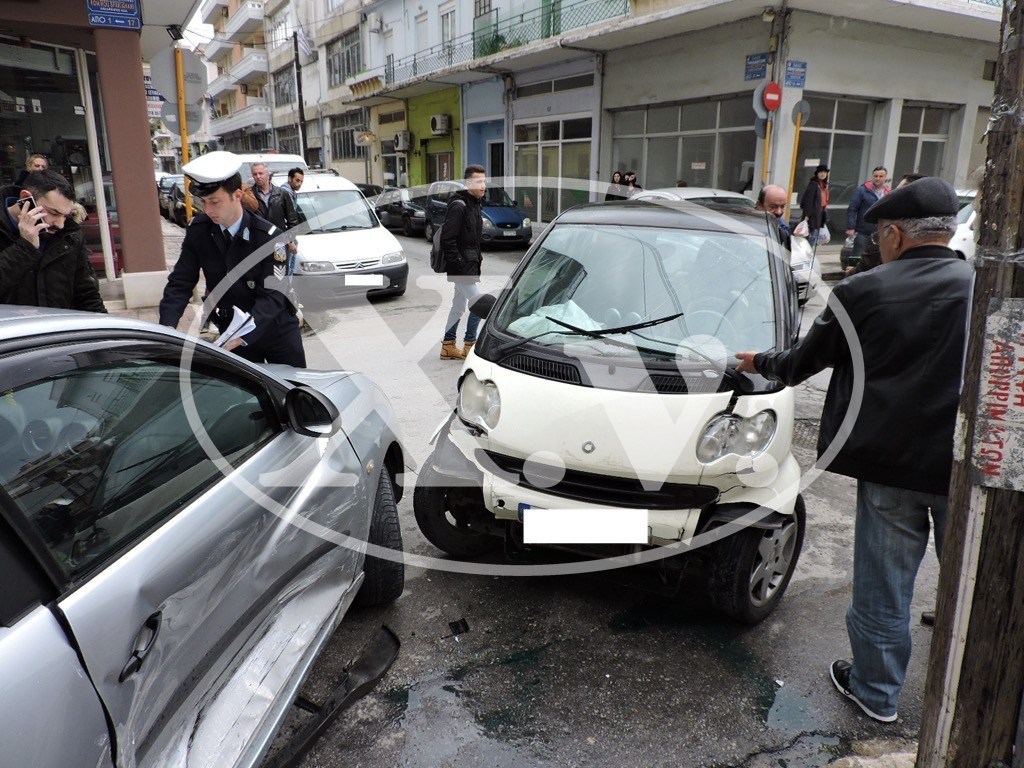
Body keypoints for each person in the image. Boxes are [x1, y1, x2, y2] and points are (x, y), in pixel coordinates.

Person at [734, 177, 972, 724]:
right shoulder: (984, 285)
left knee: (884, 587)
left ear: (893, 234)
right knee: (971, 578)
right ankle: (972, 690)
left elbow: (803, 362)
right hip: (965, 465)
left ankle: (877, 692)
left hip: (890, 462)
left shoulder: (864, 292)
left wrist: (758, 362)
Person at [159, 151, 305, 367]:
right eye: (204, 202)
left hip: (275, 328)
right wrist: (167, 329)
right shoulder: (199, 231)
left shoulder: (269, 237)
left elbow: (273, 295)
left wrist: (242, 334)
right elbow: (181, 281)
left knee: (295, 393)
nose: (207, 210)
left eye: (215, 202)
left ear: (237, 195)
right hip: (230, 330)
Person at [0, 169, 106, 312]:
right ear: (25, 198)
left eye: (66, 216)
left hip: (56, 330)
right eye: (53, 213)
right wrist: (25, 247)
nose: (60, 224)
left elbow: (87, 295)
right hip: (12, 332)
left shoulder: (69, 235)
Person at [439, 164, 486, 360]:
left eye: (484, 181)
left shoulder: (474, 204)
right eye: (479, 181)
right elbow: (447, 240)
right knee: (480, 305)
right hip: (462, 267)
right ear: (468, 183)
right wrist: (458, 266)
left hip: (470, 264)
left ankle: (448, 346)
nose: (483, 185)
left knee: (458, 306)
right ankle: (470, 344)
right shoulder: (459, 205)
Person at [845, 166, 890, 268]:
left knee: (876, 259)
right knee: (857, 258)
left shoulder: (887, 192)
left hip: (880, 232)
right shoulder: (863, 190)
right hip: (863, 231)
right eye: (875, 176)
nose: (877, 178)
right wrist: (851, 227)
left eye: (880, 176)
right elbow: (852, 208)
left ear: (885, 177)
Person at [250, 162, 298, 232]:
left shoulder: (282, 194)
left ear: (267, 175)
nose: (258, 177)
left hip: (279, 240)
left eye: (260, 173)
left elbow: (293, 221)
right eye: (255, 174)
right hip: (259, 241)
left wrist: (289, 239)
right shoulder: (250, 195)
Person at [799, 164, 830, 246]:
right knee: (811, 236)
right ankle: (806, 253)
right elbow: (808, 201)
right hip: (813, 216)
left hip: (819, 215)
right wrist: (807, 215)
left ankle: (808, 253)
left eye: (824, 172)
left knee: (814, 236)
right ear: (817, 173)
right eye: (821, 172)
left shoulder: (823, 185)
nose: (823, 174)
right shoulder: (814, 184)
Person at [756, 184, 791, 250]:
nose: (779, 212)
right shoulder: (745, 227)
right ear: (759, 205)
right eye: (773, 207)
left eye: (782, 206)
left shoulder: (784, 228)